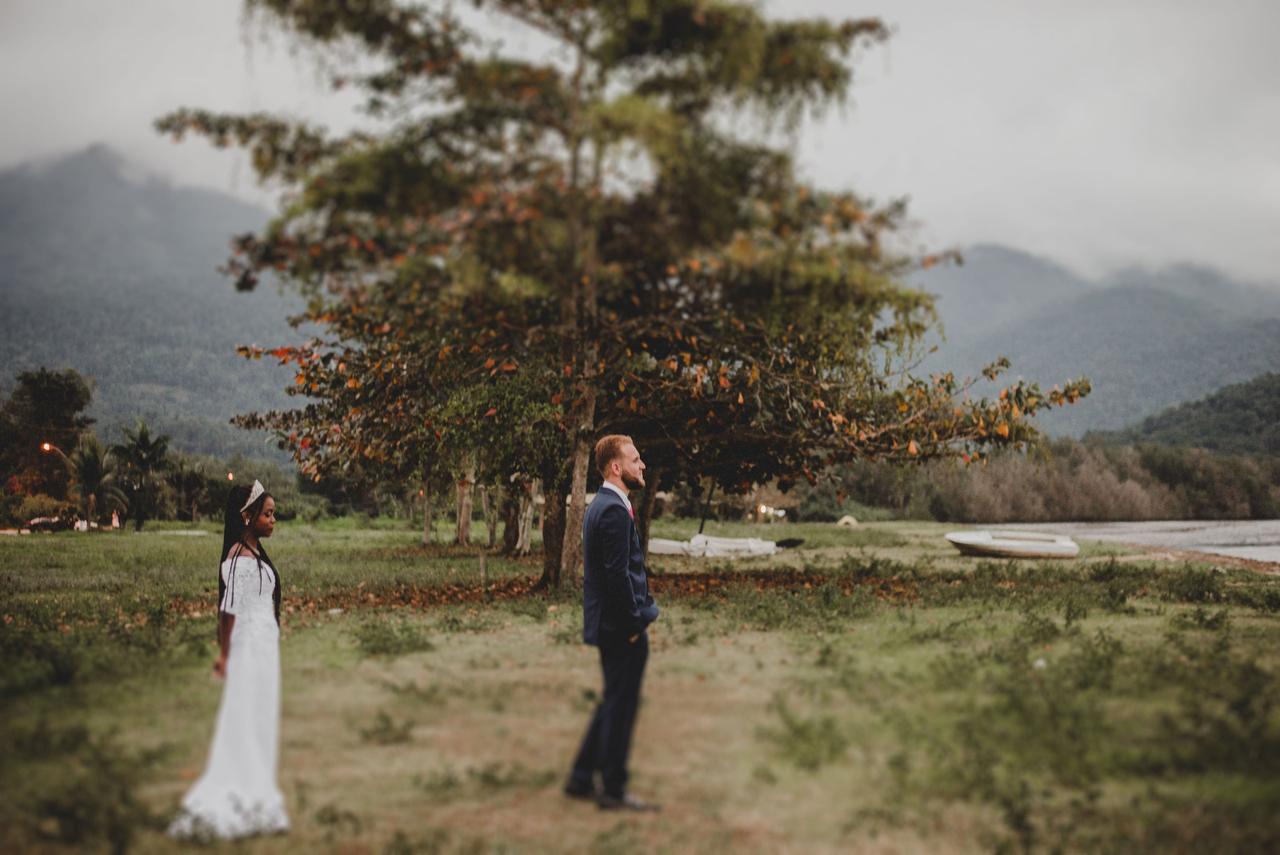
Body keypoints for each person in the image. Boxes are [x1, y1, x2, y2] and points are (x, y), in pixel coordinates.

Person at [169, 480, 289, 839]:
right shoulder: (238, 560)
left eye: (273, 514)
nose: (273, 520)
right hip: (247, 648)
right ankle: (238, 797)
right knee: (245, 720)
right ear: (247, 517)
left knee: (262, 719)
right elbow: (228, 611)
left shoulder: (256, 557)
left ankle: (258, 794)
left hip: (265, 646)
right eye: (267, 514)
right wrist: (225, 656)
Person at [565, 435, 661, 811]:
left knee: (612, 701)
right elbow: (616, 577)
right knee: (621, 708)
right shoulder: (613, 511)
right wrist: (634, 624)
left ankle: (580, 777)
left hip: (612, 626)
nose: (643, 465)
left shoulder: (603, 505)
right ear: (616, 467)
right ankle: (613, 790)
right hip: (622, 629)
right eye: (635, 460)